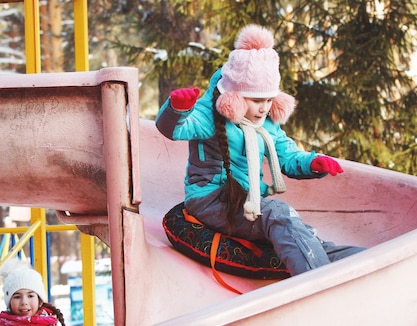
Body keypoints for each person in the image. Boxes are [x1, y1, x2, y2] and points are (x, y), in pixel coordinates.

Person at [155, 24, 364, 277]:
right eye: (256, 100)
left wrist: (313, 163)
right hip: (209, 199)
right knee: (278, 214)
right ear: (234, 96)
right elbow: (175, 129)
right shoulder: (209, 113)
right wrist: (177, 109)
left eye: (268, 99)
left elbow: (288, 156)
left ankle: (365, 264)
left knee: (302, 235)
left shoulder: (265, 121)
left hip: (247, 200)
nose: (264, 108)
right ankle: (316, 285)